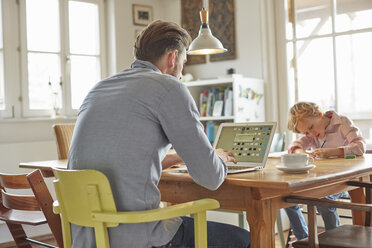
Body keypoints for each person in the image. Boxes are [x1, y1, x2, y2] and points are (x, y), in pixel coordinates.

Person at [67, 20, 250, 248]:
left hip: (88, 237)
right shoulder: (169, 87)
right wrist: (219, 158)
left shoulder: (98, 88)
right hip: (137, 233)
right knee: (245, 239)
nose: (182, 74)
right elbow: (211, 178)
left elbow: (124, 157)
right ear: (173, 58)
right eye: (184, 64)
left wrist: (179, 157)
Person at [284, 101, 366, 240]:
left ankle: (333, 241)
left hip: (345, 180)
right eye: (306, 132)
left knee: (323, 202)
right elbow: (295, 146)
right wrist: (301, 152)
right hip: (321, 180)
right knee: (286, 200)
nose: (311, 134)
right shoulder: (312, 134)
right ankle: (304, 240)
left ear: (319, 115)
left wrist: (332, 152)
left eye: (311, 127)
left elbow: (359, 146)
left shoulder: (342, 123)